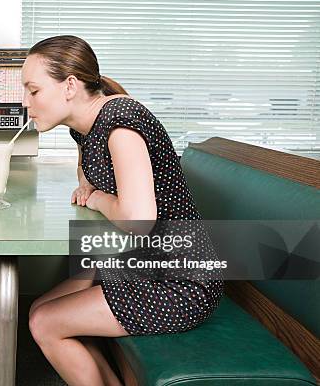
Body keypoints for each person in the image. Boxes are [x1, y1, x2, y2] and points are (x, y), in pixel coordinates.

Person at [22, 35, 224, 386]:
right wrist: (91, 186)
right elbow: (88, 176)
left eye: (33, 90)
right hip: (140, 263)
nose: (26, 102)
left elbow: (138, 219)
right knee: (38, 310)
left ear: (70, 86)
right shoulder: (86, 126)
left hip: (180, 281)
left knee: (45, 323)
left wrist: (99, 199)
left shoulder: (121, 121)